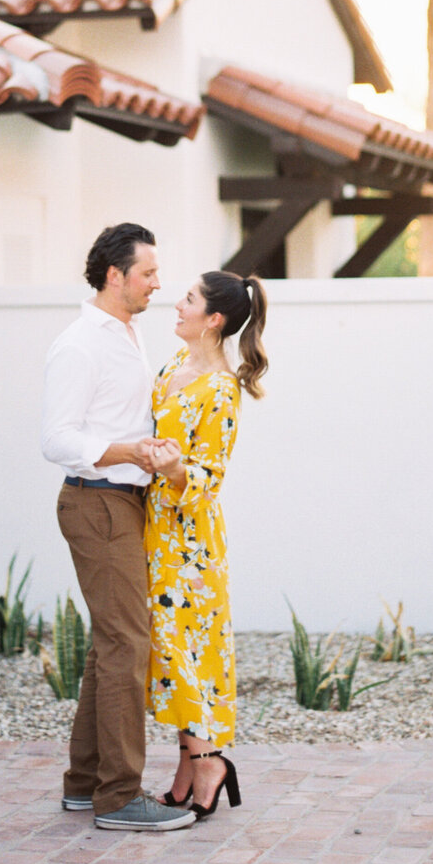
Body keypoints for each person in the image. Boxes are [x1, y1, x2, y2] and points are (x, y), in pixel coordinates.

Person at [40, 223, 197, 833]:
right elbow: (57, 439)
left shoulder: (125, 334)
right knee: (129, 646)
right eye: (149, 273)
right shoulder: (80, 343)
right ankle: (120, 797)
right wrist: (128, 451)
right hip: (97, 503)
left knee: (111, 647)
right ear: (115, 274)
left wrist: (144, 450)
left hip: (122, 503)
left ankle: (85, 786)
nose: (158, 284)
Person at [144, 269, 268, 820]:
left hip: (189, 544)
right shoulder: (174, 365)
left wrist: (173, 468)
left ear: (213, 319)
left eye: (189, 298)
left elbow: (208, 479)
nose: (178, 302)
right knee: (173, 658)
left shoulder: (220, 389)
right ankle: (187, 769)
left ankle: (211, 763)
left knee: (182, 655)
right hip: (155, 530)